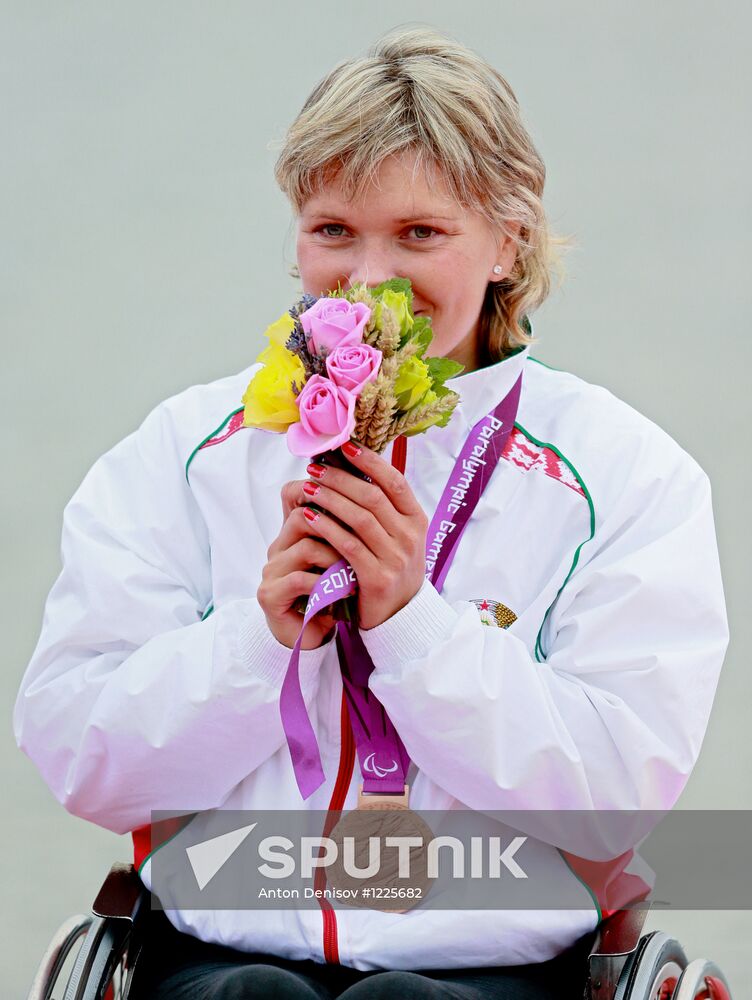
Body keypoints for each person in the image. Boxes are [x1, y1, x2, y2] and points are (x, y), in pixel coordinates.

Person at [14, 25, 728, 1000]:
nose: (366, 277)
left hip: (494, 971)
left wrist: (413, 626)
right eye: (332, 230)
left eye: (419, 234)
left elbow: (616, 798)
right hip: (218, 958)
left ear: (506, 240)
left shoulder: (626, 474)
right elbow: (79, 757)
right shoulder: (186, 451)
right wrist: (255, 642)